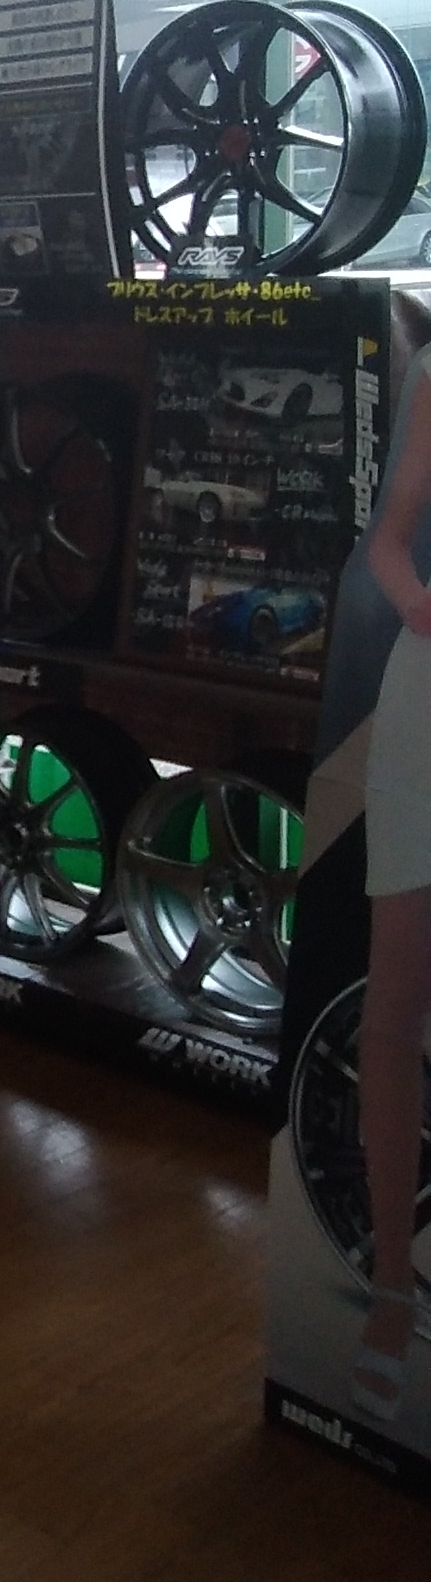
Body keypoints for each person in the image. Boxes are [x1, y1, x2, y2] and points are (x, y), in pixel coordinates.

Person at [352, 349, 431, 1421]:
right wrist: (418, 605)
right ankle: (390, 1285)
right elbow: (388, 543)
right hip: (427, 703)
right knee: (392, 1009)